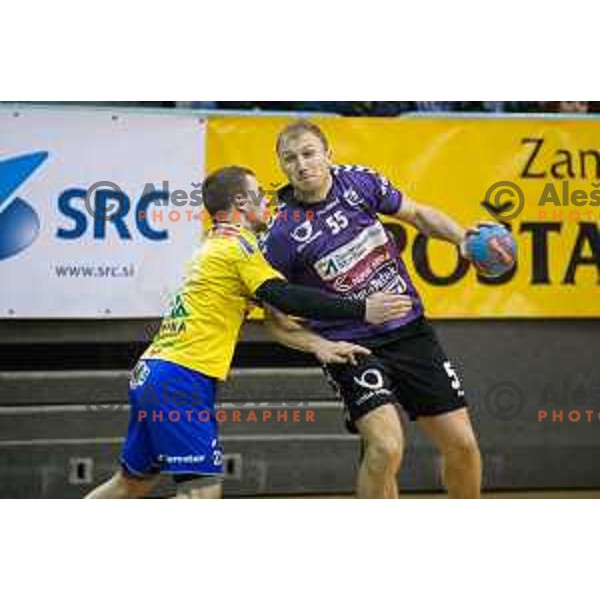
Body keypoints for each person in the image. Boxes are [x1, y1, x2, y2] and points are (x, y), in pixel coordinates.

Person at [85, 165, 411, 499]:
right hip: (181, 377)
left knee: (132, 483)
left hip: (154, 372)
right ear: (242, 201)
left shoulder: (216, 245)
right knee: (202, 494)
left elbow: (278, 316)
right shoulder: (237, 249)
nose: (267, 200)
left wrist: (319, 346)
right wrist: (362, 309)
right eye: (260, 193)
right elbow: (285, 297)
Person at [260, 119, 484, 499]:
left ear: (328, 155)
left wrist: (461, 238)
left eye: (309, 153)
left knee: (463, 445)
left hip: (410, 332)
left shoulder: (359, 182)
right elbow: (275, 322)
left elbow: (417, 214)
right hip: (350, 348)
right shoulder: (281, 234)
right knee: (385, 448)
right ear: (282, 166)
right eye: (290, 158)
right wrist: (319, 346)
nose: (302, 164)